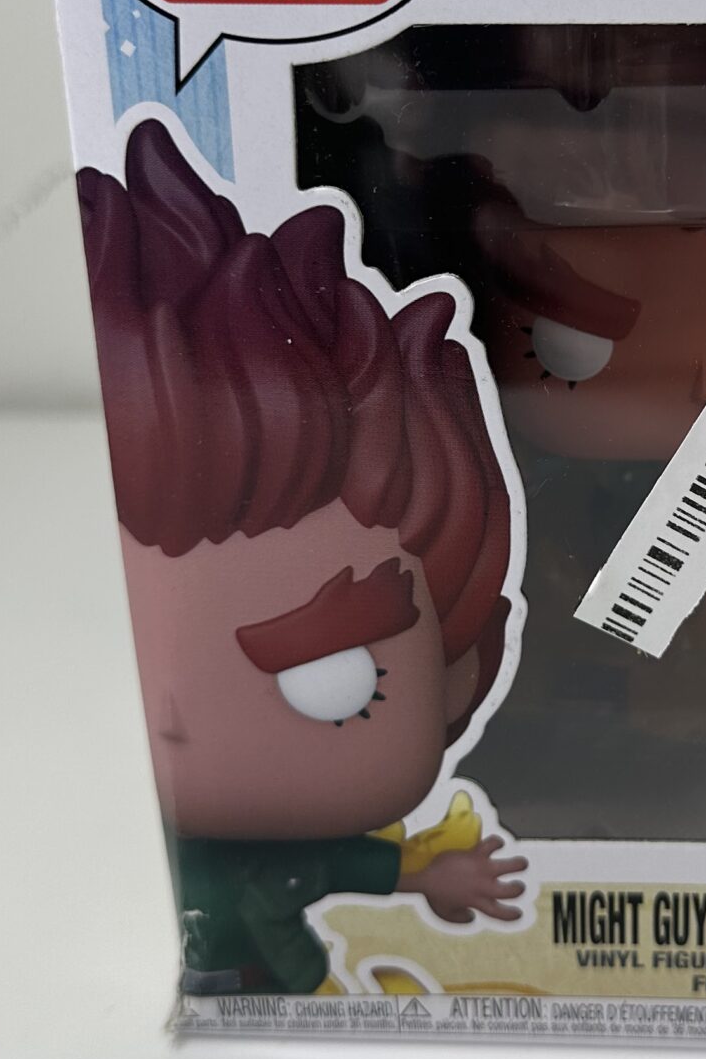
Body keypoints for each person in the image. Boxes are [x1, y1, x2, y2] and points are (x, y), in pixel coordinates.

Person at [78, 120, 525, 995]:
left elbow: (343, 865)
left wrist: (430, 876)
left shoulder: (271, 850)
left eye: (333, 679)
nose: (172, 723)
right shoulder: (118, 847)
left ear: (458, 674)